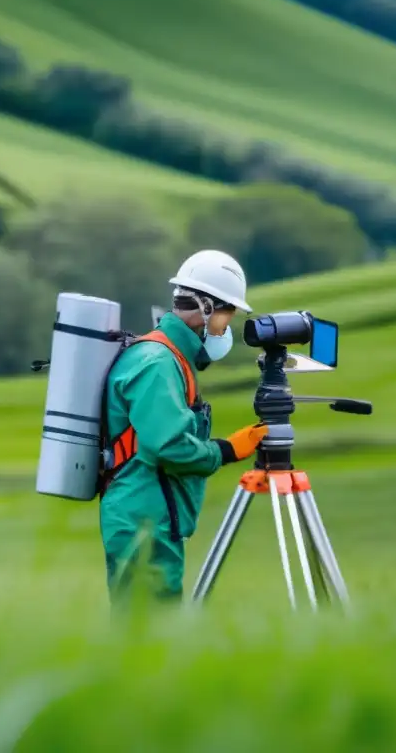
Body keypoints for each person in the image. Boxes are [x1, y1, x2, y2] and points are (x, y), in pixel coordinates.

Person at [98, 250, 269, 605]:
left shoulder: (169, 357)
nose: (227, 327)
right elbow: (169, 446)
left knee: (149, 636)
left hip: (152, 513)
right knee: (149, 637)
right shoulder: (158, 363)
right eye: (227, 315)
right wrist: (225, 450)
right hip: (145, 519)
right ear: (206, 309)